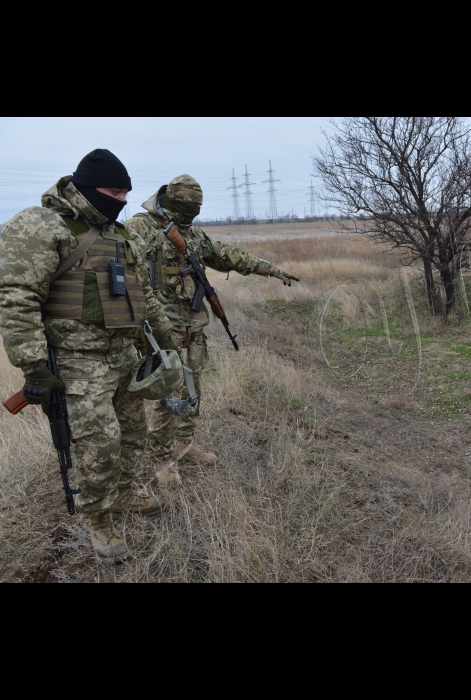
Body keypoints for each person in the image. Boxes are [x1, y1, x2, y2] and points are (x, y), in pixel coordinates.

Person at [0, 149, 175, 563]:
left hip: (123, 357)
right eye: (115, 191)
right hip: (77, 364)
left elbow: (141, 292)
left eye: (127, 193)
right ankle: (100, 519)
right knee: (99, 445)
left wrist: (163, 338)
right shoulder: (41, 226)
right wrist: (34, 365)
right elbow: (15, 297)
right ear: (86, 189)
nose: (123, 200)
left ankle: (126, 493)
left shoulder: (119, 233)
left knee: (133, 435)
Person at [126, 175, 299, 483]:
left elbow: (227, 255)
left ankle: (184, 443)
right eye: (187, 207)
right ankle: (163, 459)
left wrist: (271, 269)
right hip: (161, 328)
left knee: (193, 386)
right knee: (167, 393)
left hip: (193, 325)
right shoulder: (140, 228)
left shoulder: (192, 235)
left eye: (196, 208)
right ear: (170, 200)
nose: (191, 213)